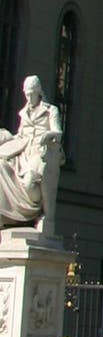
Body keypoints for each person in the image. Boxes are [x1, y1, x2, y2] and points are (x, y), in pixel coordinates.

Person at [0, 74, 62, 225]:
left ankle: (35, 213)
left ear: (38, 92)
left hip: (40, 152)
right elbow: (20, 134)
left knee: (29, 184)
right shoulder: (24, 112)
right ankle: (8, 214)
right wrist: (6, 136)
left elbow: (58, 132)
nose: (28, 98)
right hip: (23, 152)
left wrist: (48, 135)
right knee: (1, 165)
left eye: (31, 94)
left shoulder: (50, 110)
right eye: (26, 94)